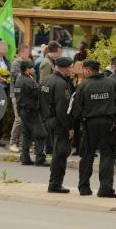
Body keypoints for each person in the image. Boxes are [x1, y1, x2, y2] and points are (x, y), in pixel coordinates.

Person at [71, 59, 116, 198]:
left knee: (87, 155)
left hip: (90, 124)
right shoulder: (111, 83)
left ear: (88, 70)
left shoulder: (84, 85)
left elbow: (76, 109)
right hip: (108, 123)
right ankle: (105, 188)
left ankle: (84, 187)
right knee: (107, 155)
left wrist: (78, 122)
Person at [41, 57, 75, 193]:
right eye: (71, 67)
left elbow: (41, 103)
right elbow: (63, 109)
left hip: (48, 121)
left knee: (55, 152)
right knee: (60, 154)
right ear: (64, 68)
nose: (72, 70)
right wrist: (69, 127)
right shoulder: (61, 84)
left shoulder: (46, 80)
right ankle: (55, 183)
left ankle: (54, 182)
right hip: (59, 123)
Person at [14, 60, 48, 166]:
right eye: (31, 68)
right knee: (40, 134)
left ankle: (25, 157)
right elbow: (38, 94)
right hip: (31, 112)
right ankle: (40, 158)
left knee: (27, 134)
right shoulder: (29, 81)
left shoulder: (19, 80)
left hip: (23, 111)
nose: (33, 69)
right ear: (27, 69)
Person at [8, 44, 32, 153]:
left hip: (25, 96)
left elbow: (32, 77)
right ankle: (13, 143)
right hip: (16, 95)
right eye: (27, 53)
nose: (29, 55)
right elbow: (20, 77)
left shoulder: (28, 64)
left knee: (25, 119)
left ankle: (22, 143)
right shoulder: (15, 63)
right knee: (19, 119)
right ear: (21, 53)